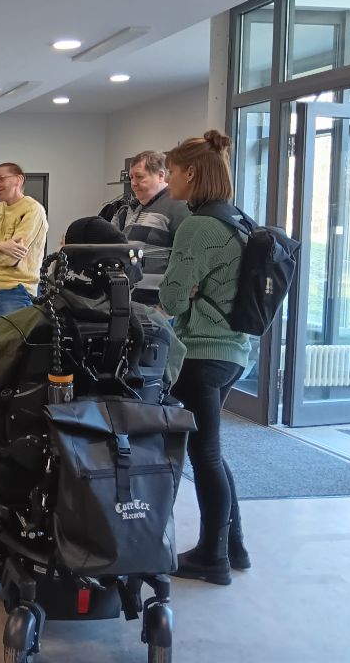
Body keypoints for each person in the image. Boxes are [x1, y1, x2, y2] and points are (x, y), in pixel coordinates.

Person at [159, 129, 253, 586]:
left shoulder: (197, 226)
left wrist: (183, 287)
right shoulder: (236, 219)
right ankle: (233, 546)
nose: (168, 179)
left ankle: (212, 557)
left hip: (202, 353)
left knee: (205, 457)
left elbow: (173, 299)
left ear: (190, 172)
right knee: (213, 453)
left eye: (172, 171)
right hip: (234, 351)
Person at [0, 162, 48, 335]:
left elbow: (11, 259)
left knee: (13, 352)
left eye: (1, 179)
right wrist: (0, 246)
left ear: (19, 180)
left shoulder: (32, 211)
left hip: (16, 291)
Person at [111, 150, 191, 306]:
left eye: (139, 177)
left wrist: (166, 310)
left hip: (159, 309)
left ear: (161, 176)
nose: (133, 183)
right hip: (137, 305)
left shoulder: (178, 207)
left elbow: (187, 262)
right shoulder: (140, 209)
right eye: (131, 178)